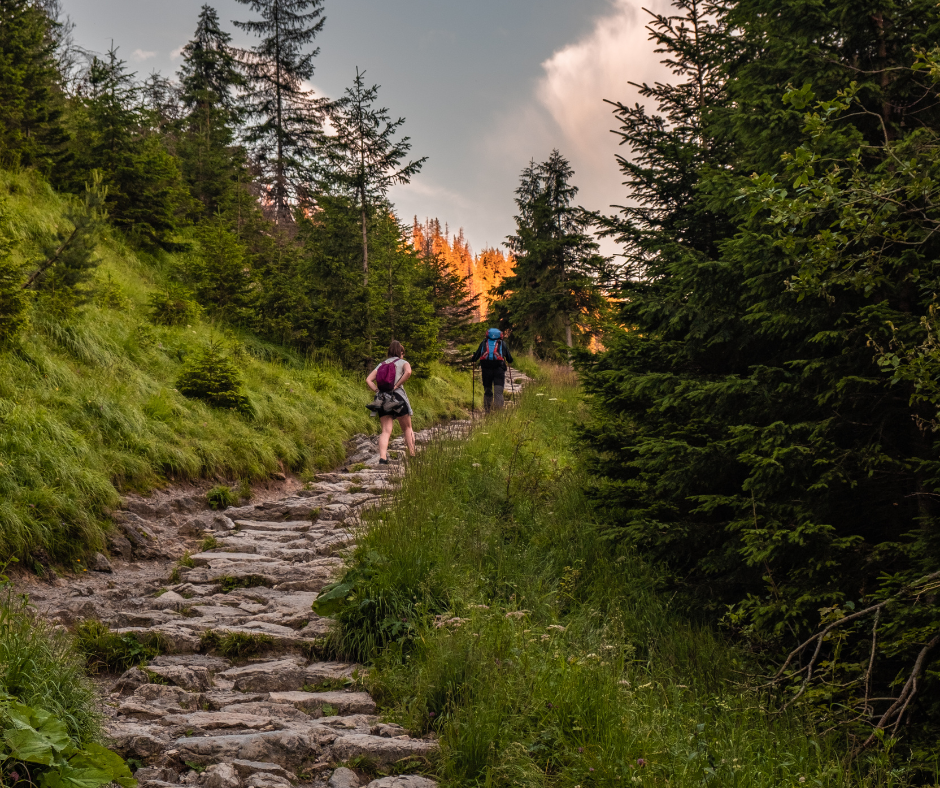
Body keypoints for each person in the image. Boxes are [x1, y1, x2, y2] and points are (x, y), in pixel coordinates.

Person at [366, 340, 416, 465]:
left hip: (382, 399)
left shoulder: (381, 364)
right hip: (398, 397)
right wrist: (397, 385)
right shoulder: (403, 362)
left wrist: (377, 390)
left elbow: (368, 380)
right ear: (401, 352)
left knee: (385, 431)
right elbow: (408, 372)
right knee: (407, 428)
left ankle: (383, 457)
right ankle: (412, 454)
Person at [470, 327, 514, 412]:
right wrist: (508, 360)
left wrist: (473, 357)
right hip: (499, 371)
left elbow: (475, 357)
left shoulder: (484, 343)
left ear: (487, 335)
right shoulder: (502, 344)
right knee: (498, 392)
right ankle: (498, 414)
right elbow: (510, 359)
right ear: (500, 336)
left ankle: (488, 412)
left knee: (488, 391)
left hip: (486, 371)